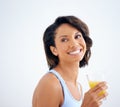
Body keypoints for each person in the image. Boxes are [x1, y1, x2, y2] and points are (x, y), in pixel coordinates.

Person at [32, 16, 108, 107]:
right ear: (54, 50)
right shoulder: (51, 84)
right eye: (64, 40)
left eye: (77, 36)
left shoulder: (78, 87)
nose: (74, 44)